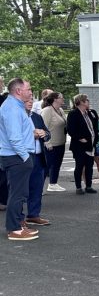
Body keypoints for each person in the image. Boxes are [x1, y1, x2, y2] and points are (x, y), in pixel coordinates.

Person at [0, 79, 39, 241]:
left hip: (17, 156)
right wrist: (25, 158)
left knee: (19, 193)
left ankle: (17, 225)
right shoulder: (12, 109)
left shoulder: (14, 107)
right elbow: (14, 138)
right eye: (28, 89)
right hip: (16, 157)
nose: (31, 93)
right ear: (18, 91)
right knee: (17, 194)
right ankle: (14, 229)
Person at [23, 95, 51, 227]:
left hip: (39, 157)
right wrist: (32, 134)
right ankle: (19, 218)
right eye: (27, 101)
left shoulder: (36, 116)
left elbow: (47, 132)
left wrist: (45, 134)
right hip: (24, 158)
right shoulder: (17, 117)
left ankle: (33, 215)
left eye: (31, 101)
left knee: (37, 188)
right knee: (21, 189)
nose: (30, 103)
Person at [66, 93, 99, 195]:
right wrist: (80, 138)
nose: (88, 102)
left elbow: (94, 126)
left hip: (91, 144)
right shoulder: (73, 114)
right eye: (86, 100)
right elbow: (70, 129)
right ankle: (78, 187)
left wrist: (96, 138)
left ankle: (88, 186)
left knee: (89, 165)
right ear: (81, 102)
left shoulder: (89, 113)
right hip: (79, 145)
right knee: (79, 166)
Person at [40, 92, 67, 192]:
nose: (63, 99)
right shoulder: (47, 111)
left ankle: (53, 184)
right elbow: (42, 127)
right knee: (47, 166)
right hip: (51, 144)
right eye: (61, 97)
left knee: (57, 164)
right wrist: (47, 142)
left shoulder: (60, 110)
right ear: (55, 99)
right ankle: (39, 188)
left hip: (61, 142)